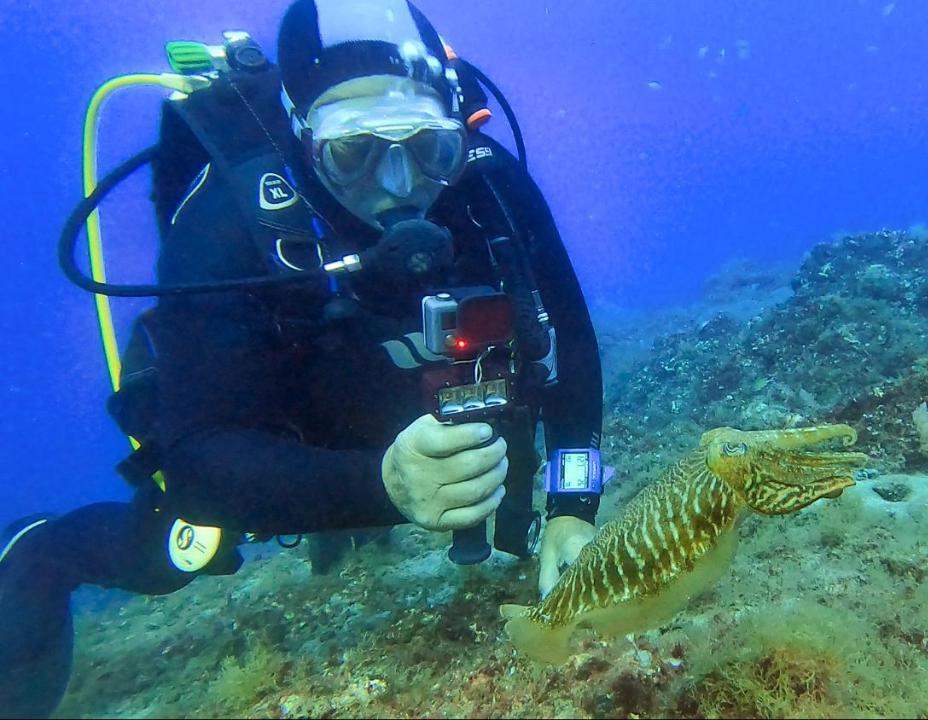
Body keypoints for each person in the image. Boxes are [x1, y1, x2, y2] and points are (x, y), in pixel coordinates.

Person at [0, 1, 605, 716]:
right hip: (278, 433)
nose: (398, 183)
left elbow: (569, 342)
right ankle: (40, 553)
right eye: (353, 153)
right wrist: (379, 486)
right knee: (177, 551)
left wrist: (572, 507)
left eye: (428, 148)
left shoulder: (489, 186)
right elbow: (200, 460)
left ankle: (364, 512)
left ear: (457, 130)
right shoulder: (224, 220)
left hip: (406, 413)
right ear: (299, 132)